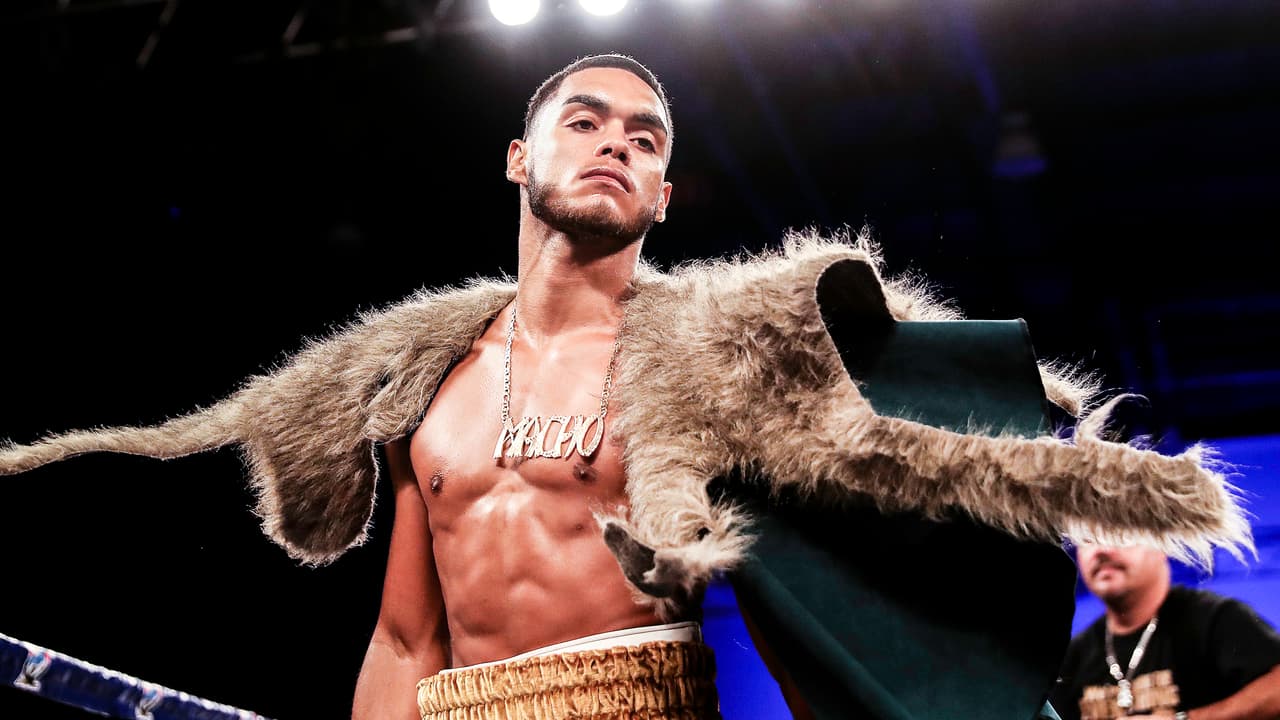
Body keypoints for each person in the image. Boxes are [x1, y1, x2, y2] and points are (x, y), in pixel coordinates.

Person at [0, 53, 1256, 720]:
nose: (615, 143)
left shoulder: (710, 365)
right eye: (586, 121)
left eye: (644, 138)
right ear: (518, 158)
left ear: (661, 196)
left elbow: (810, 604)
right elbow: (403, 637)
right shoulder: (428, 385)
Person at [1050, 542, 1280, 720]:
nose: (1101, 550)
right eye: (1087, 540)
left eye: (1117, 535)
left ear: (1161, 545)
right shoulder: (1071, 656)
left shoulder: (1215, 619)